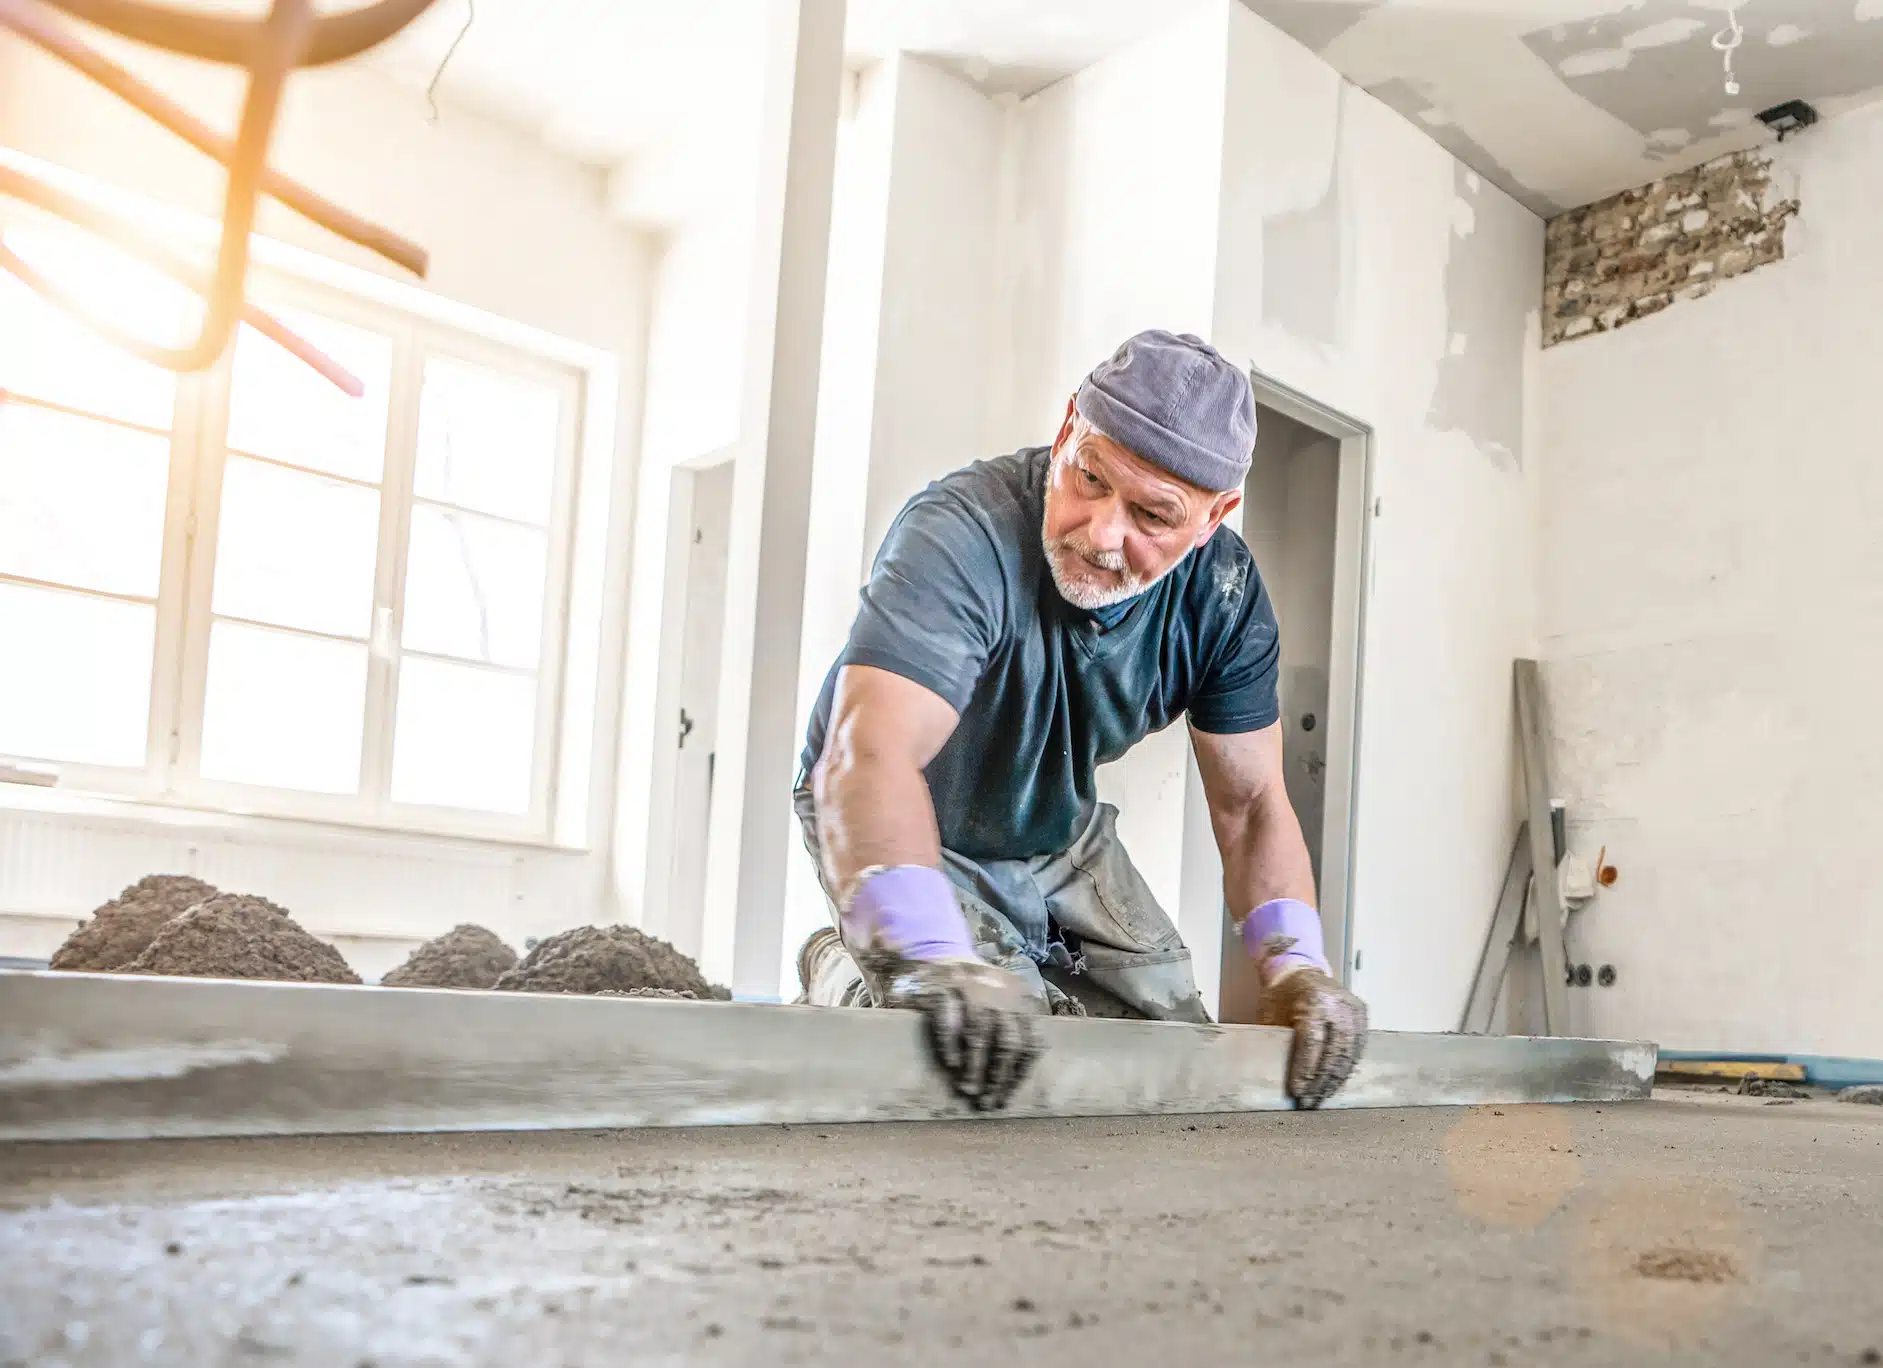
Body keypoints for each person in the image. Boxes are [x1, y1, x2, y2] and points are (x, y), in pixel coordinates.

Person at [792, 329, 1368, 1111]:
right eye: (1088, 477)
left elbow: (1252, 804)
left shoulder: (1223, 598)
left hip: (1055, 822)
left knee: (1171, 1041)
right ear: (1066, 429)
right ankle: (844, 966)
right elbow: (868, 753)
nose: (1100, 533)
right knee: (987, 1052)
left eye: (1151, 514)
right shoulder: (962, 531)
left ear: (1213, 516)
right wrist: (921, 953)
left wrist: (1298, 967)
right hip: (910, 812)